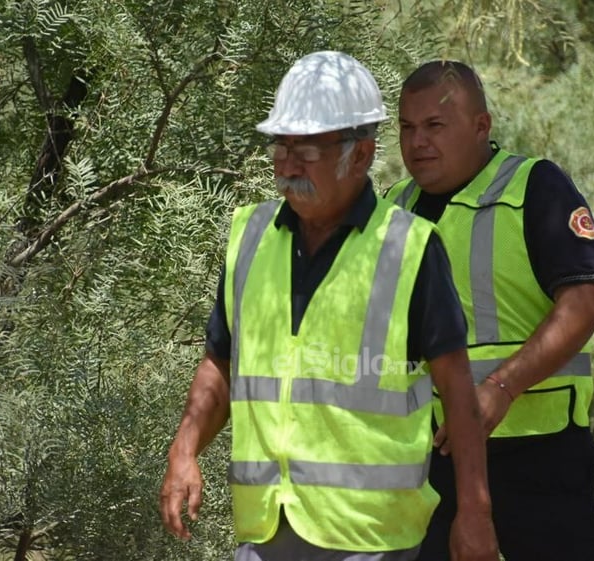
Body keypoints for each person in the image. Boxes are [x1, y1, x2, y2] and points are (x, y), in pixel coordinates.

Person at [159, 51, 499, 561]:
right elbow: (221, 363)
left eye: (307, 149)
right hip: (265, 531)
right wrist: (184, 449)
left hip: (370, 541)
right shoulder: (249, 237)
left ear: (359, 155)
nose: (287, 163)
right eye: (281, 144)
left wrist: (474, 513)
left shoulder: (409, 248)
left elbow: (457, 393)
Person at [385, 60, 594, 561]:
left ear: (481, 126)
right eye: (407, 127)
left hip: (538, 456)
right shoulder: (392, 210)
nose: (417, 142)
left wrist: (501, 387)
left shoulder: (535, 188)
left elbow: (585, 303)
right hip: (429, 465)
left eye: (435, 126)